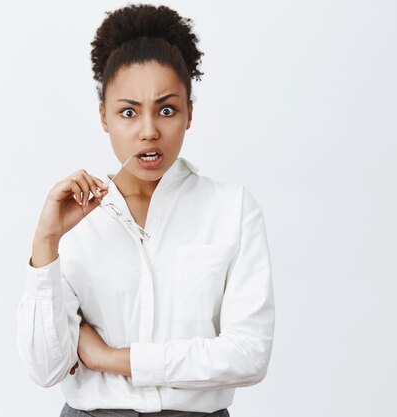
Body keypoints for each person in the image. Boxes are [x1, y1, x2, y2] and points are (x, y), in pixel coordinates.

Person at [16, 4, 275, 416]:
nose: (149, 130)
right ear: (104, 116)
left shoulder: (232, 209)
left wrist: (111, 359)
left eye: (167, 109)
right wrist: (46, 241)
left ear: (190, 113)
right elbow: (46, 369)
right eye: (129, 111)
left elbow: (249, 355)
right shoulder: (76, 222)